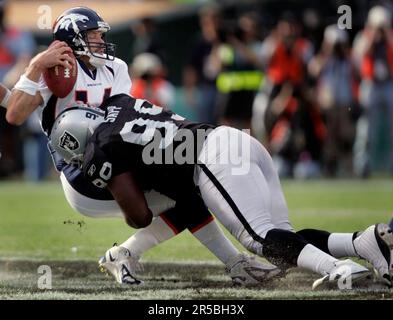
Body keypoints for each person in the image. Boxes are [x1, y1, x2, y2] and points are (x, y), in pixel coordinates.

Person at [5, 6, 274, 286]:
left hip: (122, 156)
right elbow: (14, 114)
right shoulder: (52, 72)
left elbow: (122, 120)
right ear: (72, 39)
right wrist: (36, 65)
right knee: (188, 193)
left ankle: (130, 254)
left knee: (193, 185)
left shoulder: (116, 67)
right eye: (93, 34)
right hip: (82, 173)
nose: (100, 40)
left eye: (100, 34)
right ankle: (233, 263)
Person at [50, 93, 393, 288]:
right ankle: (362, 243)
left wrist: (110, 178)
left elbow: (139, 216)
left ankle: (337, 268)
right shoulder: (120, 104)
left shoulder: (100, 148)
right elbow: (183, 198)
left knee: (260, 241)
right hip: (233, 140)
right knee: (283, 237)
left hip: (211, 160)